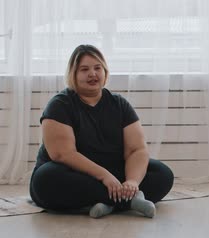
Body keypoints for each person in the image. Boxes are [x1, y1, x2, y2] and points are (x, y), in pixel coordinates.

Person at [30, 44, 174, 219]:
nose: (92, 74)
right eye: (84, 69)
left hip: (112, 170)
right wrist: (105, 177)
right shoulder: (60, 105)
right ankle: (130, 200)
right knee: (46, 179)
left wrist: (132, 181)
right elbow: (63, 154)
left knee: (162, 174)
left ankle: (104, 203)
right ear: (73, 74)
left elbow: (136, 149)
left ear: (105, 72)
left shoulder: (119, 104)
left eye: (97, 68)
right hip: (75, 172)